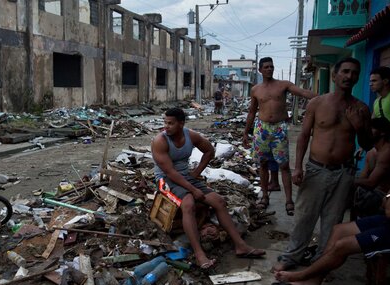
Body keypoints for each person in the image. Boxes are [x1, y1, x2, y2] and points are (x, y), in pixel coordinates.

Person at [272, 122, 390, 285]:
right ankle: (313, 282)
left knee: (342, 246)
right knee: (339, 230)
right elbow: (389, 201)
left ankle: (301, 276)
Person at [272, 57, 373, 272]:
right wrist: (298, 166)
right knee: (304, 216)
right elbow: (304, 136)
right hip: (317, 169)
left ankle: (321, 260)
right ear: (335, 76)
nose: (349, 76)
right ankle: (293, 256)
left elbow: (367, 144)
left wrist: (359, 127)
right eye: (345, 71)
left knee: (332, 220)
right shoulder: (318, 103)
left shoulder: (361, 109)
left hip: (344, 172)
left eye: (354, 72)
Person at [152, 108, 265, 269]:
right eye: (165, 122)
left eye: (170, 123)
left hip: (186, 176)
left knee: (219, 202)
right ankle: (199, 254)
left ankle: (240, 245)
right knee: (188, 203)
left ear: (181, 124)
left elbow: (209, 151)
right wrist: (192, 189)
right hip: (166, 179)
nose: (166, 127)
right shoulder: (160, 141)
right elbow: (170, 172)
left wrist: (196, 172)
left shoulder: (190, 135)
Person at [243, 57, 317, 216]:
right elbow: (252, 111)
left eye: (272, 66)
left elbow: (303, 92)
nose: (270, 69)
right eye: (266, 67)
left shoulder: (283, 85)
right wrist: (245, 132)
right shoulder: (256, 89)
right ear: (260, 70)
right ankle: (264, 197)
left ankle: (289, 200)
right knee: (262, 164)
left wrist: (323, 98)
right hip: (262, 129)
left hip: (279, 129)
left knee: (283, 165)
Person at [351, 117, 390, 220]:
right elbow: (363, 177)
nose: (368, 131)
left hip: (388, 195)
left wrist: (348, 180)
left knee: (365, 196)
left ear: (382, 133)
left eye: (371, 128)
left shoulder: (389, 151)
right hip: (374, 192)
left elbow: (371, 183)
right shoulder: (371, 152)